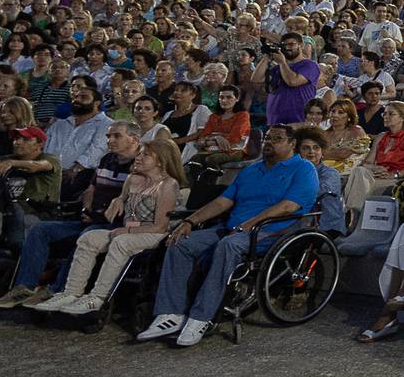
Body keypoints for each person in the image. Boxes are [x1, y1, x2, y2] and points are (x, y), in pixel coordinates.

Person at [137, 123, 320, 348]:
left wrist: (250, 224)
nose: (269, 142)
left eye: (276, 139)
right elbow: (224, 201)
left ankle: (201, 317)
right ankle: (169, 314)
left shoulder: (303, 169)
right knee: (180, 242)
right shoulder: (252, 169)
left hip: (273, 230)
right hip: (234, 227)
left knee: (229, 246)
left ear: (292, 144)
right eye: (267, 138)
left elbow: (289, 206)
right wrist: (189, 221)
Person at [36, 133, 184, 314]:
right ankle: (71, 292)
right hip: (128, 230)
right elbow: (122, 199)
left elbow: (160, 226)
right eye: (140, 154)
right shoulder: (132, 179)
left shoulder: (168, 185)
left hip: (154, 234)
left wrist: (127, 231)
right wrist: (119, 200)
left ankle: (99, 296)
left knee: (121, 242)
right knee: (88, 238)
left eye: (145, 155)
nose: (138, 157)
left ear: (161, 161)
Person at [343, 100, 404, 214]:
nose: (385, 117)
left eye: (391, 114)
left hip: (398, 179)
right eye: (384, 113)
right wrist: (376, 168)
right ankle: (355, 213)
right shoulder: (381, 136)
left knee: (358, 184)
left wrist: (394, 174)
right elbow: (366, 163)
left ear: (402, 117)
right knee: (359, 171)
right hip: (378, 175)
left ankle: (352, 214)